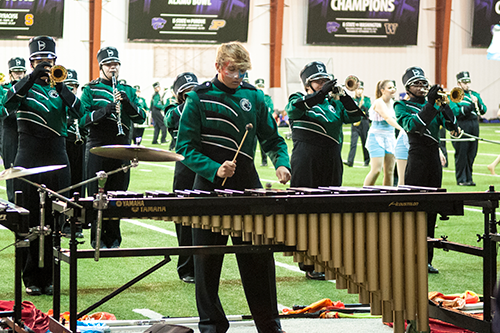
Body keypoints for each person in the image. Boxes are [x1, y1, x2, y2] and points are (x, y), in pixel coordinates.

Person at [176, 41, 290, 333]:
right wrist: (215, 169)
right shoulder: (198, 98)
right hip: (208, 188)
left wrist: (281, 162)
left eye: (243, 70)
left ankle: (268, 324)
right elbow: (185, 148)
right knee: (207, 262)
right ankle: (211, 324)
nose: (239, 75)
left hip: (247, 186)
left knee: (259, 259)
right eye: (233, 70)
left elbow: (273, 139)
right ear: (218, 67)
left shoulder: (253, 96)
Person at [3, 36, 83, 295]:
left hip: (57, 157)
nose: (44, 64)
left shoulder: (60, 88)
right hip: (28, 157)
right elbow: (7, 105)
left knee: (53, 220)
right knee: (27, 219)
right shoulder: (19, 87)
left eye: (48, 60)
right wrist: (29, 78)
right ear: (31, 62)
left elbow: (80, 111)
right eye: (39, 60)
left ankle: (49, 278)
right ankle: (30, 278)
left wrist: (61, 87)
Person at [285, 61, 364, 280]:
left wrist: (344, 95)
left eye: (325, 80)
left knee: (329, 210)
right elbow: (295, 109)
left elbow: (357, 116)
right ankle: (308, 262)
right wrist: (322, 94)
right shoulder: (297, 98)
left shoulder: (335, 103)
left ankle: (327, 259)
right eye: (318, 80)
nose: (323, 83)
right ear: (308, 84)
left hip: (331, 159)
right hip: (306, 160)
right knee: (306, 211)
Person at [80, 46, 146, 249]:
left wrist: (127, 104)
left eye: (116, 64)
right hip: (98, 145)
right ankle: (97, 237)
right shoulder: (90, 89)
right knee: (96, 193)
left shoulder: (127, 91)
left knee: (118, 193)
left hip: (121, 145)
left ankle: (114, 237)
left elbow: (141, 117)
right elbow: (82, 120)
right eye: (109, 65)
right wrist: (105, 110)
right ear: (101, 67)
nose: (113, 68)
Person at [395, 66, 459, 274]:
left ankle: (427, 258)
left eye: (424, 83)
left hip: (433, 160)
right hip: (417, 159)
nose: (422, 87)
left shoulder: (434, 105)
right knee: (415, 210)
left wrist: (445, 106)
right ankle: (409, 257)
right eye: (417, 84)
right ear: (408, 87)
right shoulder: (401, 105)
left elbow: (452, 127)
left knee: (431, 211)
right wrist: (431, 104)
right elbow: (414, 126)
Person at [164, 72, 199, 284]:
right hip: (185, 167)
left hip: (203, 167)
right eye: (187, 93)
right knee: (184, 220)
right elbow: (172, 118)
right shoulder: (173, 110)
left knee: (204, 220)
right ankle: (186, 267)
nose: (192, 95)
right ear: (179, 95)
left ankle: (203, 265)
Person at [449, 71, 487, 186]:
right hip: (461, 124)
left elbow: (483, 110)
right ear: (459, 83)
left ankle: (469, 178)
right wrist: (470, 106)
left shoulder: (474, 94)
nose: (467, 85)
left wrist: (477, 104)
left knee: (472, 152)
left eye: (468, 82)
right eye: (464, 82)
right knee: (462, 152)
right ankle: (461, 179)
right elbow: (455, 111)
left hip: (473, 124)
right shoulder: (454, 94)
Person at [363, 80, 402, 186]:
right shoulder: (379, 102)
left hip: (390, 137)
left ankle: (387, 197)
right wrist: (401, 129)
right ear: (382, 90)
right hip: (376, 137)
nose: (393, 90)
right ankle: (365, 195)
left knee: (389, 172)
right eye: (389, 88)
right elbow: (387, 117)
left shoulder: (394, 103)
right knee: (376, 170)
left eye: (394, 87)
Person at [62, 68, 85, 238]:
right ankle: (64, 223)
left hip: (80, 146)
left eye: (74, 86)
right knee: (65, 186)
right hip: (64, 146)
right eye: (68, 86)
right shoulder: (60, 102)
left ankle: (77, 223)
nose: (71, 89)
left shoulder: (79, 104)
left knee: (79, 185)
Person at [1, 57, 27, 202]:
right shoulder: (4, 89)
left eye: (21, 72)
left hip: (26, 133)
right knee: (11, 169)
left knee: (27, 169)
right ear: (10, 73)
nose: (19, 75)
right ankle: (12, 202)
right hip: (10, 132)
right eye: (16, 72)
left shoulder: (29, 89)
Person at [345, 81, 371, 167]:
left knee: (364, 142)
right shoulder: (352, 100)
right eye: (357, 89)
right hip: (355, 123)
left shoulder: (366, 99)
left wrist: (362, 106)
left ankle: (367, 160)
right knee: (353, 143)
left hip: (364, 122)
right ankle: (350, 161)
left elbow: (368, 109)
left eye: (360, 89)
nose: (359, 91)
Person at [255, 78, 274, 166]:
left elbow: (271, 109)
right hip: (254, 123)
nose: (260, 88)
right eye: (258, 86)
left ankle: (264, 161)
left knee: (264, 143)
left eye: (262, 86)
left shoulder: (267, 98)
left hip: (263, 123)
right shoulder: (254, 96)